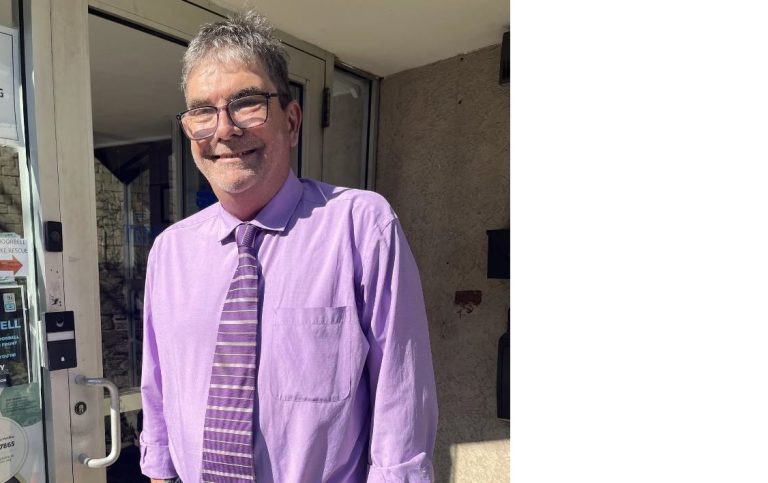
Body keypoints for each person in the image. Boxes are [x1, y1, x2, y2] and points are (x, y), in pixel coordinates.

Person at [139, 11, 438, 483]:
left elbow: (400, 403)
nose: (224, 130)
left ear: (292, 121)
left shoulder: (361, 227)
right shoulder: (170, 252)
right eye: (202, 112)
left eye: (247, 104)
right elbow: (158, 386)